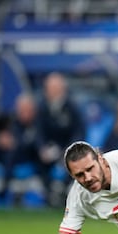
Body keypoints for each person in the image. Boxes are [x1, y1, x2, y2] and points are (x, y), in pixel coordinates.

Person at [36, 72, 85, 205]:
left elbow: (79, 132)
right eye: (49, 88)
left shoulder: (72, 107)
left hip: (68, 148)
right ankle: (48, 192)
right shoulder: (42, 106)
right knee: (37, 159)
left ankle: (63, 193)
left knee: (73, 162)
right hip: (50, 148)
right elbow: (39, 131)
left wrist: (68, 151)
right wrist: (42, 148)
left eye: (54, 88)